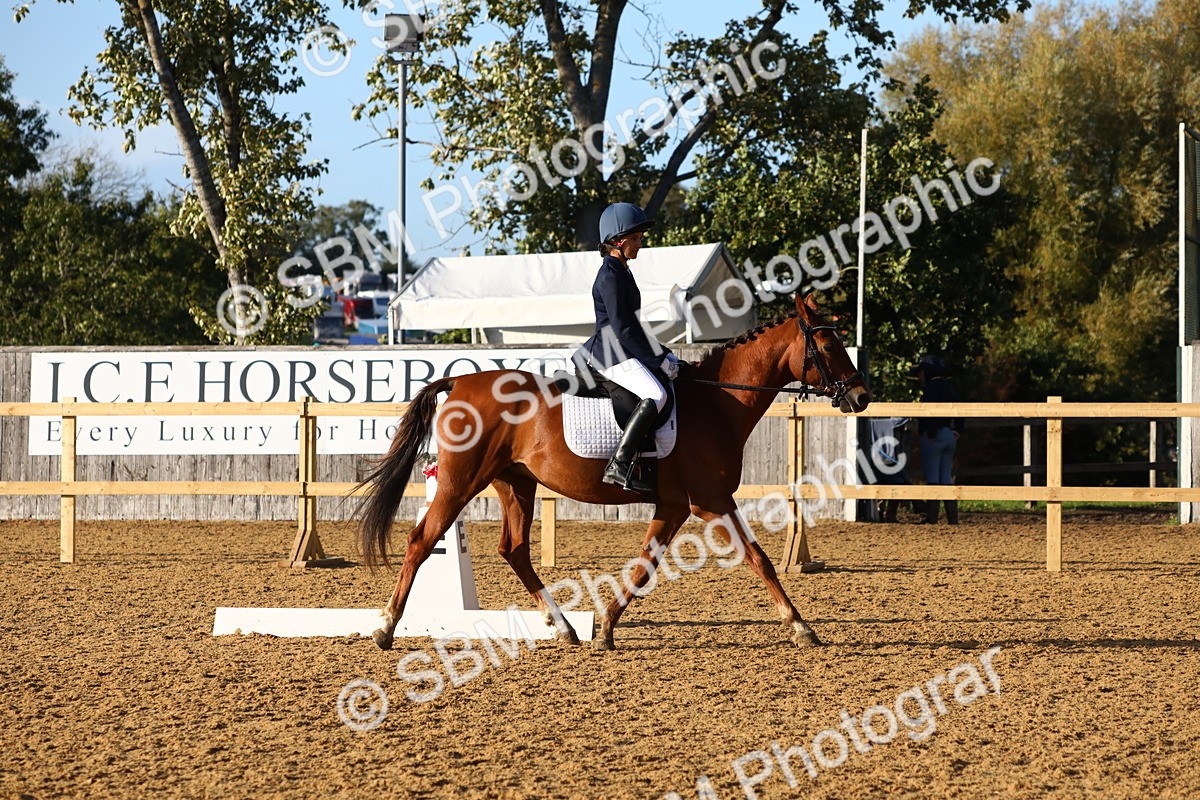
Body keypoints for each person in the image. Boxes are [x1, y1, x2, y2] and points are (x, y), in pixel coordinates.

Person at [572, 202, 679, 494]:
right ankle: (619, 464)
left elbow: (634, 326)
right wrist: (658, 361)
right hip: (610, 353)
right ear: (617, 241)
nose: (640, 244)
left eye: (640, 238)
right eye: (635, 238)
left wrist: (665, 354)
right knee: (656, 394)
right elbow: (624, 329)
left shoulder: (621, 270)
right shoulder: (610, 275)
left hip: (621, 348)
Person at [913, 355, 964, 524]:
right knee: (946, 478)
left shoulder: (930, 388)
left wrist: (931, 433)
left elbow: (929, 412)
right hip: (949, 435)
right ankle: (952, 518)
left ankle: (932, 517)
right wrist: (958, 429)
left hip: (934, 437)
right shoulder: (949, 386)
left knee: (933, 478)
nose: (919, 375)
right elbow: (960, 407)